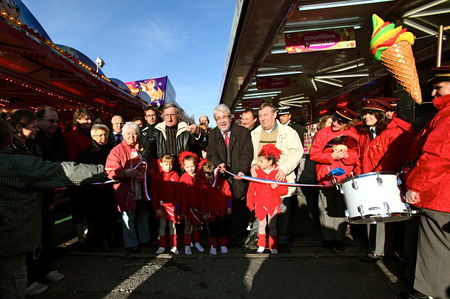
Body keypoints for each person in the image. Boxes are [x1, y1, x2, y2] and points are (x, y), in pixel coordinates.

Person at [0, 120, 105, 299]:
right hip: (10, 241)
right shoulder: (14, 164)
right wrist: (106, 171)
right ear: (9, 138)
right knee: (10, 286)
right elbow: (62, 171)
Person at [403, 66, 450, 299]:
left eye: (438, 87)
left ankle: (430, 293)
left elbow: (435, 157)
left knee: (435, 250)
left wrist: (416, 186)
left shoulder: (447, 116)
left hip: (440, 194)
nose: (433, 93)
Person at [250, 103, 303, 252]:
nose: (263, 119)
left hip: (281, 178)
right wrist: (253, 165)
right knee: (262, 213)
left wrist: (284, 169)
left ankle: (282, 241)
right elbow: (253, 155)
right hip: (262, 181)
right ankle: (262, 241)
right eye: (260, 116)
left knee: (282, 211)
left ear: (274, 115)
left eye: (266, 115)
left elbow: (297, 152)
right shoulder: (255, 133)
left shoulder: (289, 132)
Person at [310, 108, 359, 251]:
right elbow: (314, 154)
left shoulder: (354, 135)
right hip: (326, 177)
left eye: (340, 121)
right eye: (335, 119)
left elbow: (356, 156)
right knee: (324, 209)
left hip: (345, 178)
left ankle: (339, 238)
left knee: (341, 209)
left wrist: (346, 156)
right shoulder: (322, 133)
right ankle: (327, 238)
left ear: (347, 124)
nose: (335, 123)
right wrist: (331, 157)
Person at [206, 104, 253, 247]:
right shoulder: (213, 134)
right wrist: (218, 163)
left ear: (230, 117)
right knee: (224, 207)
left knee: (239, 207)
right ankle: (224, 237)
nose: (222, 121)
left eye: (224, 117)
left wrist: (242, 170)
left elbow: (247, 153)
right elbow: (211, 154)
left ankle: (236, 237)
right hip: (222, 178)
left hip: (238, 176)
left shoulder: (243, 132)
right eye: (218, 118)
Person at [105, 122, 151, 253]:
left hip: (142, 189)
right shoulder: (116, 150)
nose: (132, 136)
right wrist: (125, 172)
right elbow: (110, 170)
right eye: (129, 133)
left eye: (135, 133)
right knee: (128, 217)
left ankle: (145, 239)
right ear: (123, 135)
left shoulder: (143, 149)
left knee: (143, 215)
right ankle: (132, 244)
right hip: (126, 190)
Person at [78, 124, 116, 251]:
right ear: (93, 137)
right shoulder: (86, 153)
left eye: (105, 135)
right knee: (95, 219)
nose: (103, 137)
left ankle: (107, 241)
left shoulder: (111, 149)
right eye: (100, 135)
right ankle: (96, 242)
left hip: (108, 189)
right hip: (93, 191)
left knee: (108, 217)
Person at [247, 144, 288, 254]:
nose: (258, 164)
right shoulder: (257, 173)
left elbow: (284, 190)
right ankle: (261, 244)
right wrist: (250, 202)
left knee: (272, 225)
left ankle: (272, 245)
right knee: (261, 225)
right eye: (258, 161)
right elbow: (251, 188)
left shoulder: (278, 173)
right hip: (260, 203)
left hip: (273, 203)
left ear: (270, 162)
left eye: (261, 161)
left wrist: (277, 188)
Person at [199, 161, 232, 255]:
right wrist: (204, 212)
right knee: (212, 230)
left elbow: (228, 194)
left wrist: (229, 206)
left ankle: (223, 245)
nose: (209, 177)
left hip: (221, 210)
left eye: (211, 174)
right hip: (210, 212)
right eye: (207, 174)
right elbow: (202, 200)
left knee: (222, 228)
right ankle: (213, 246)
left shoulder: (222, 182)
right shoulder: (202, 184)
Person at [152, 154, 180, 255]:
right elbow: (154, 193)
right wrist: (156, 207)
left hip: (172, 206)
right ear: (161, 164)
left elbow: (178, 191)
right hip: (162, 206)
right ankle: (162, 246)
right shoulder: (158, 176)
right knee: (162, 226)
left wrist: (177, 205)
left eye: (170, 165)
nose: (168, 167)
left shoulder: (175, 175)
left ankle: (174, 246)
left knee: (172, 226)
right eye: (166, 164)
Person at [178, 151, 205, 255]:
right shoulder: (183, 178)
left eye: (192, 166)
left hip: (197, 206)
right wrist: (183, 208)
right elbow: (181, 195)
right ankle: (187, 244)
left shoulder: (199, 176)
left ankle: (197, 242)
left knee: (197, 225)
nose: (190, 169)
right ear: (184, 167)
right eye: (187, 167)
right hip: (187, 207)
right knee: (187, 227)